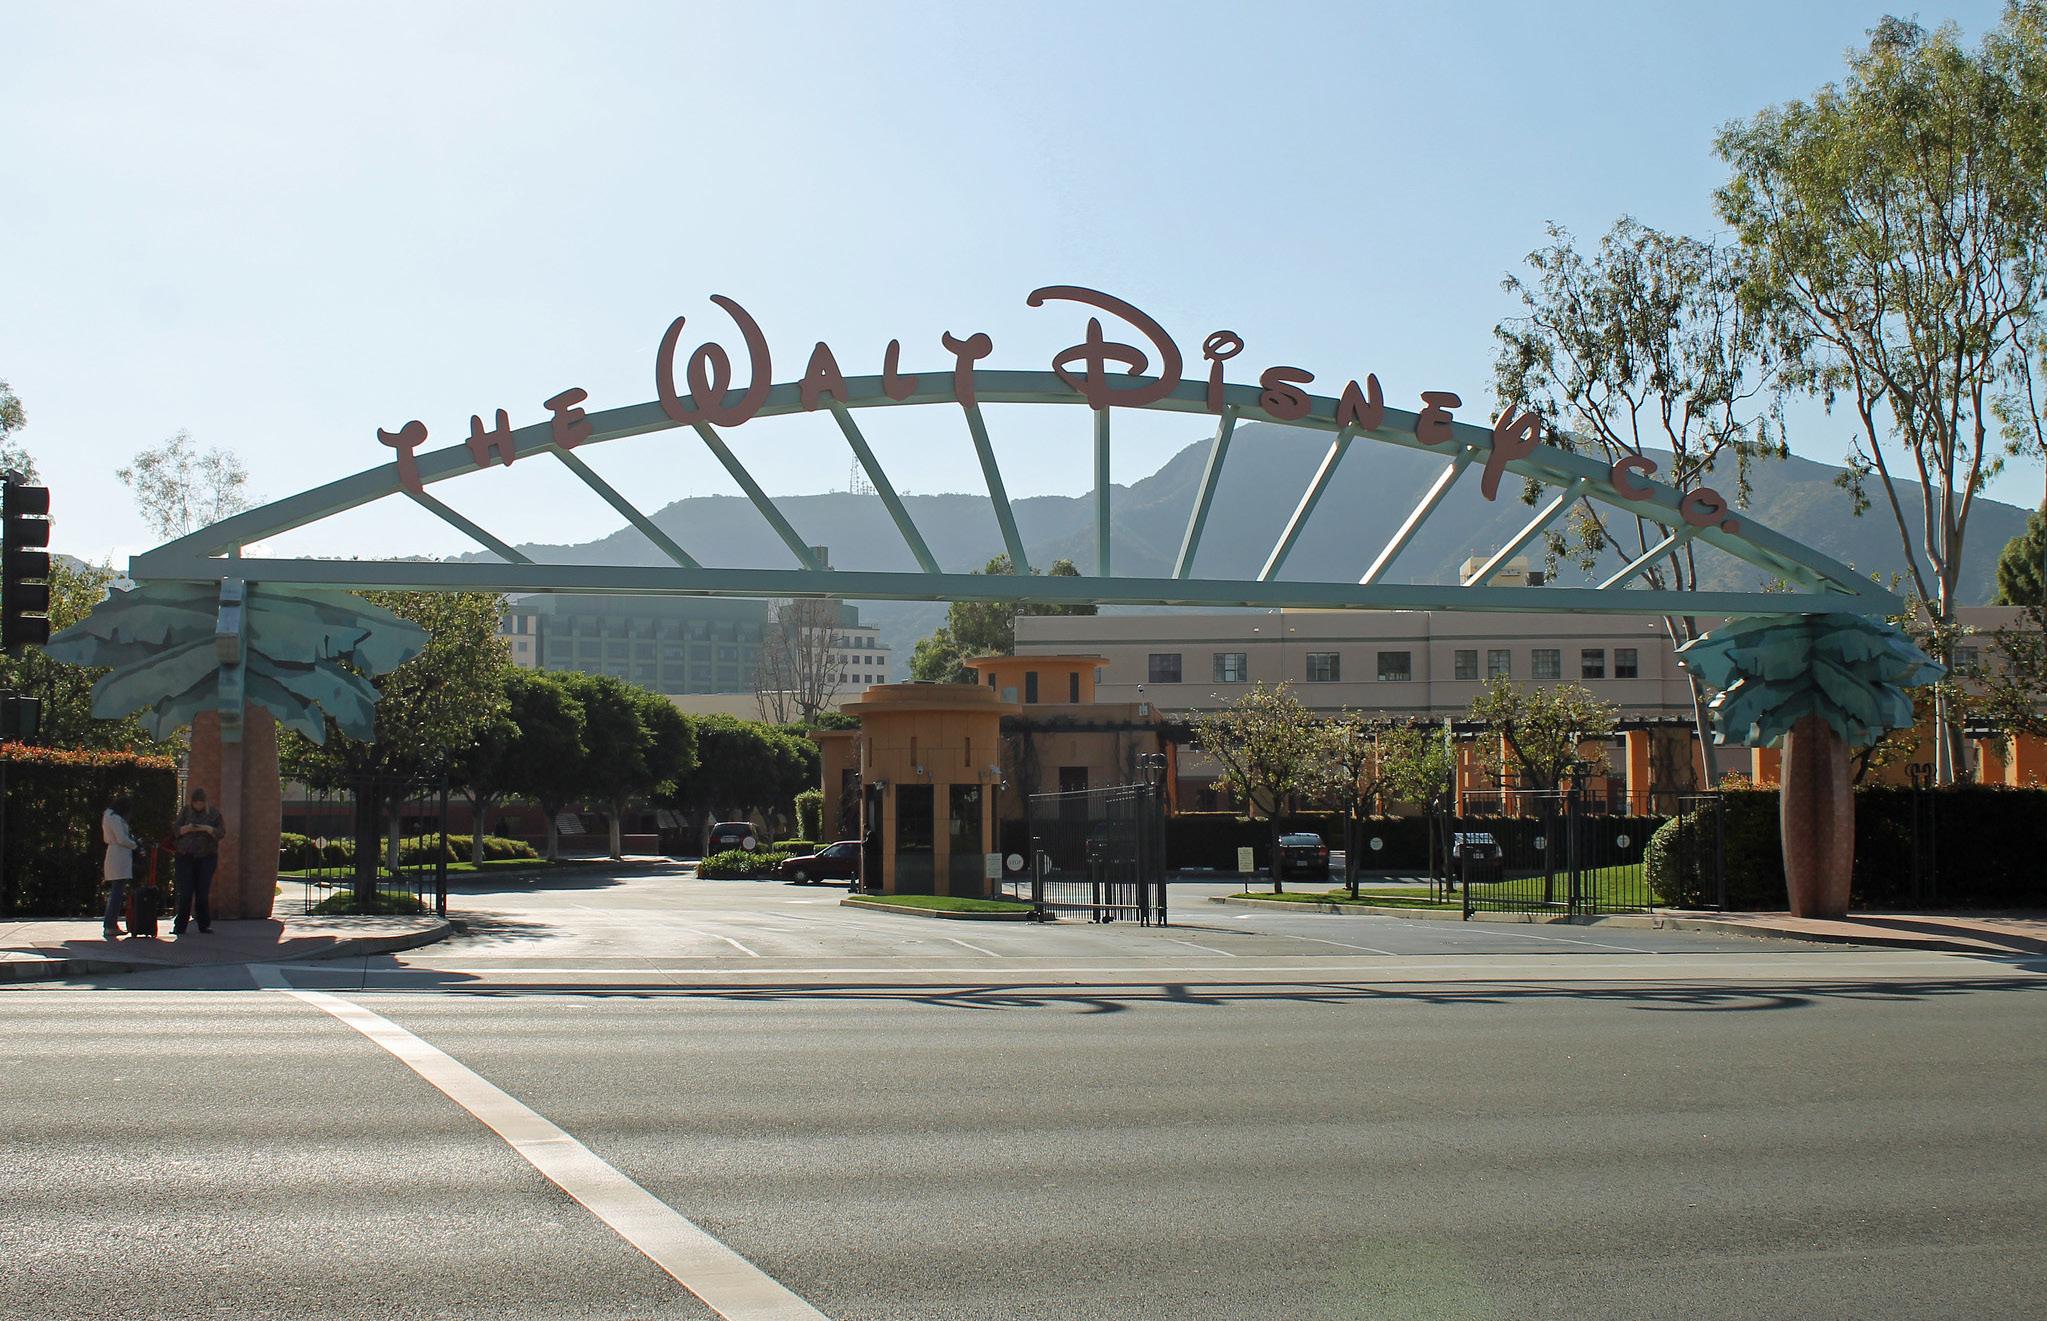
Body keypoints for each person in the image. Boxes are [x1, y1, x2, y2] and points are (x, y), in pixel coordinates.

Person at [172, 786, 225, 935]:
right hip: (185, 855)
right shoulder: (185, 812)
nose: (198, 806)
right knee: (186, 892)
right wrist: (187, 828)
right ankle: (180, 926)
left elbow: (221, 833)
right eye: (196, 803)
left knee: (202, 892)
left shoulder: (214, 814)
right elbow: (175, 830)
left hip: (206, 856)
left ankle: (204, 924)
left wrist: (207, 829)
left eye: (201, 803)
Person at [101, 795, 137, 941]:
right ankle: (110, 925)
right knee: (117, 892)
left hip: (115, 854)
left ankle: (110, 923)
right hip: (119, 855)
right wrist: (134, 844)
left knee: (116, 891)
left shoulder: (108, 816)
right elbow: (121, 838)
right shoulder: (115, 819)